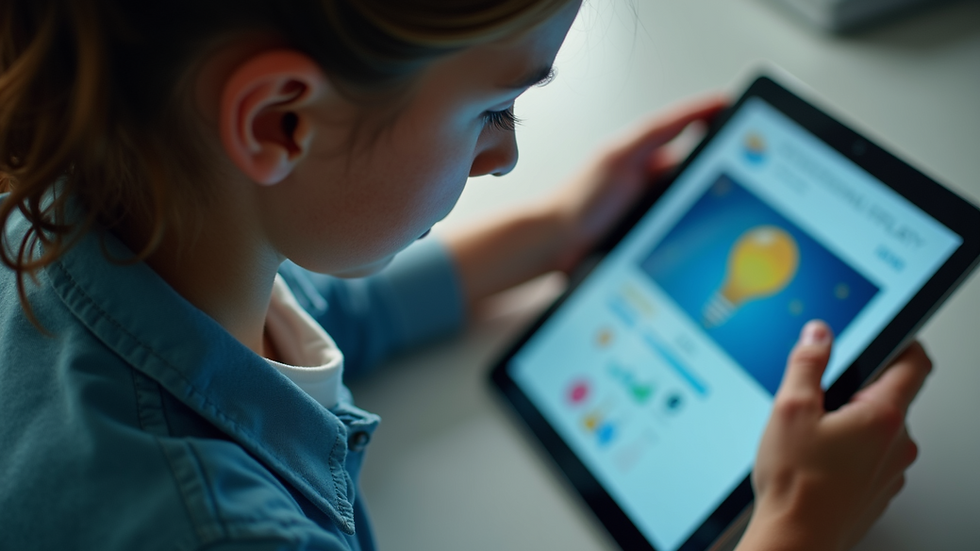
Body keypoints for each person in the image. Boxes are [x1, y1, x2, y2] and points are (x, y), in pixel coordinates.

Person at [0, 1, 931, 550]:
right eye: (495, 107)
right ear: (282, 123)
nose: (507, 156)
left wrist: (553, 232)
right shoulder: (216, 528)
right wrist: (793, 530)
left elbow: (328, 313)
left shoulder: (122, 205)